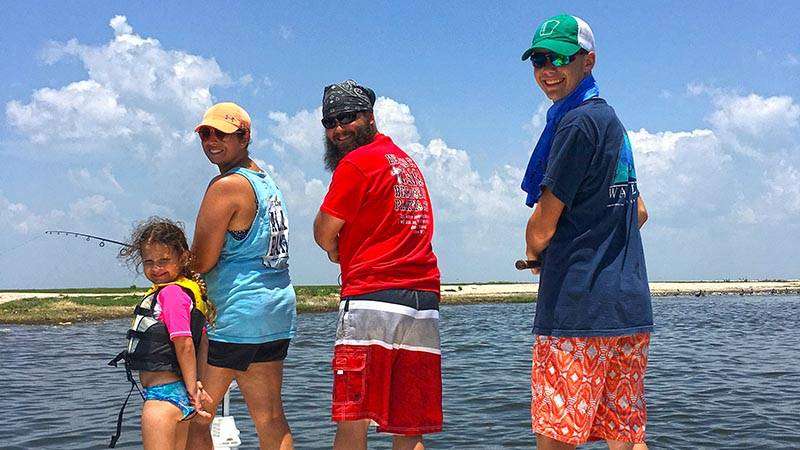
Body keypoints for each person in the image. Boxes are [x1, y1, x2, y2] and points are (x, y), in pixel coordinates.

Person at [520, 14, 654, 450]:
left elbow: (543, 223)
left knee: (557, 437)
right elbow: (639, 211)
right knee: (626, 434)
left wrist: (535, 250)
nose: (548, 69)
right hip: (628, 308)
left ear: (588, 61)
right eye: (539, 59)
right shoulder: (612, 124)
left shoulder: (576, 123)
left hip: (577, 310)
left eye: (560, 57)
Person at [313, 79, 442, 450]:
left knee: (353, 418)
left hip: (373, 300)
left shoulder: (356, 163)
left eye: (347, 117)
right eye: (330, 122)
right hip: (422, 303)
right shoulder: (405, 162)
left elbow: (324, 230)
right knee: (409, 425)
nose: (338, 129)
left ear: (370, 117)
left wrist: (336, 250)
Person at [186, 102, 297, 450]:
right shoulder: (266, 182)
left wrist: (177, 265)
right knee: (271, 420)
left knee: (196, 418)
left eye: (222, 134)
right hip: (275, 311)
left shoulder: (226, 186)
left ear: (245, 137)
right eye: (206, 133)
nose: (212, 141)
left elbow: (201, 261)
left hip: (237, 315)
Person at [109, 217, 213, 449]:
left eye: (164, 260)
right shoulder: (188, 293)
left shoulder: (172, 294)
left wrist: (193, 392)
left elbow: (185, 343)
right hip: (180, 397)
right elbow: (203, 344)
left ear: (183, 257)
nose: (156, 268)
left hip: (163, 400)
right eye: (149, 262)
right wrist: (197, 385)